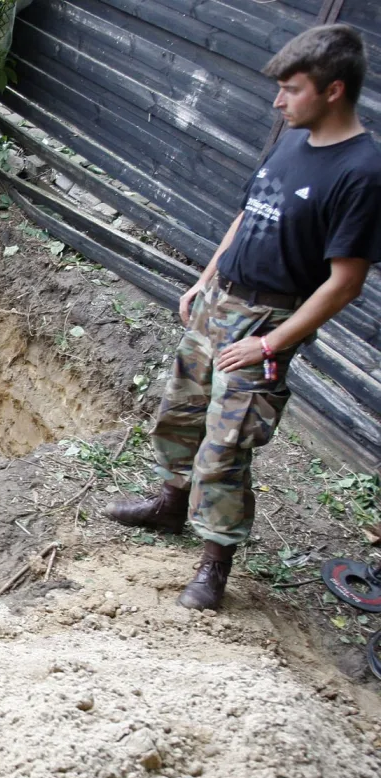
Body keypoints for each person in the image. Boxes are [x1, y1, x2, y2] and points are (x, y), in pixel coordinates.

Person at [104, 24, 381, 611]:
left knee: (228, 444)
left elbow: (345, 283)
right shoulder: (290, 138)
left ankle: (214, 563)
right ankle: (170, 504)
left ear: (333, 90)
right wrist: (204, 279)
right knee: (180, 413)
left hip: (264, 320)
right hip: (217, 301)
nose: (278, 102)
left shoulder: (362, 171)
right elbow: (247, 214)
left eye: (291, 89)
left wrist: (270, 344)